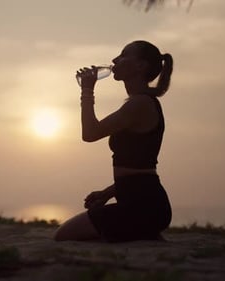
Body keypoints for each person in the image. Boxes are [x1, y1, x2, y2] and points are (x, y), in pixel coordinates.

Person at [54, 40, 173, 243]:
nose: (114, 60)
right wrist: (107, 193)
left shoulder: (140, 104)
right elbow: (139, 167)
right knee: (77, 233)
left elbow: (90, 133)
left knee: (63, 236)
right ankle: (144, 234)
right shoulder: (139, 103)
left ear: (140, 66)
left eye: (123, 55)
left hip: (142, 205)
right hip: (142, 202)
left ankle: (141, 232)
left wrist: (87, 90)